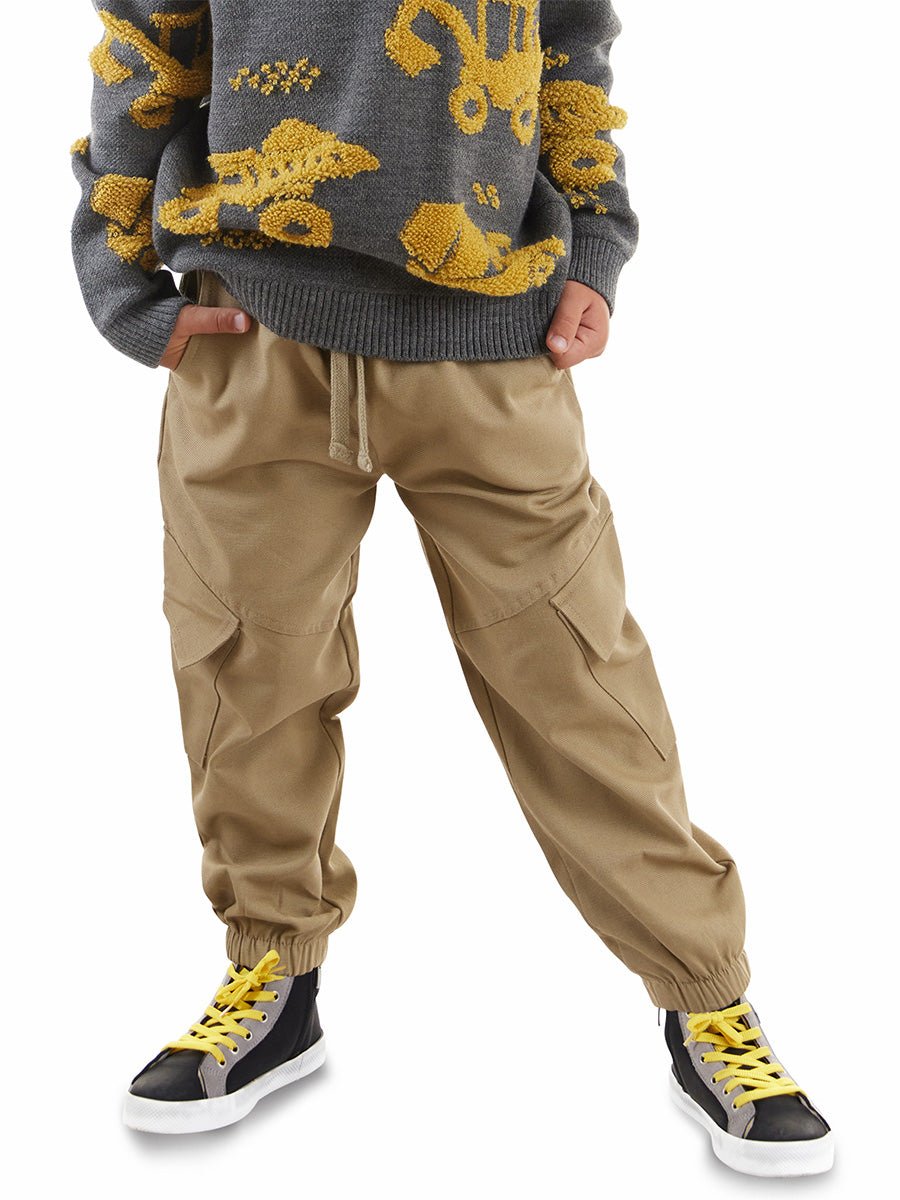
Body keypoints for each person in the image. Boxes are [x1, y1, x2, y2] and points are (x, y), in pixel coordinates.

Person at [69, 0, 832, 1174]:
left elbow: (569, 35)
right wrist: (121, 280)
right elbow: (147, 37)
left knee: (580, 685)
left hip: (490, 337)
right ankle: (273, 973)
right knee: (245, 676)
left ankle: (705, 994)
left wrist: (596, 242)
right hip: (251, 330)